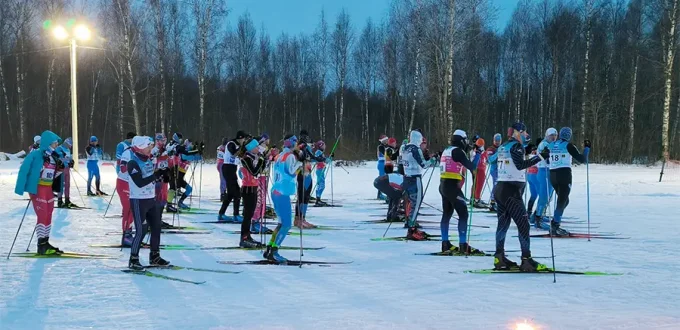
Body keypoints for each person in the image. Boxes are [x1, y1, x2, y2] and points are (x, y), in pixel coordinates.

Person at [493, 122, 546, 272]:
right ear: (517, 132)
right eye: (523, 131)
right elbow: (520, 165)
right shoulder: (516, 146)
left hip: (501, 189)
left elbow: (493, 160)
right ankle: (526, 260)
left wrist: (527, 152)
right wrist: (540, 157)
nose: (526, 134)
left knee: (503, 224)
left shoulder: (504, 145)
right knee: (523, 224)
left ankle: (499, 257)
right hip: (511, 191)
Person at [15, 130, 64, 255]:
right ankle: (41, 245)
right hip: (37, 188)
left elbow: (53, 175)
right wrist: (20, 188)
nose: (56, 146)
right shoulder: (36, 155)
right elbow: (24, 169)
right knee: (42, 215)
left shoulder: (53, 156)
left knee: (48, 214)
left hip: (48, 189)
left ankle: (45, 242)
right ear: (48, 143)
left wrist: (61, 168)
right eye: (54, 143)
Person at [126, 136, 170, 270]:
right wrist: (154, 176)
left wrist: (162, 175)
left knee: (156, 227)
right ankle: (133, 259)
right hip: (138, 200)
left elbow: (152, 176)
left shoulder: (148, 159)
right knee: (141, 230)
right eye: (148, 146)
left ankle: (155, 256)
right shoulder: (132, 162)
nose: (150, 148)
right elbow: (139, 183)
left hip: (151, 199)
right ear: (140, 147)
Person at [439, 130, 483, 254]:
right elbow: (472, 166)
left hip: (443, 184)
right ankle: (463, 244)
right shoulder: (458, 151)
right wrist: (478, 153)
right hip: (452, 186)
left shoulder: (448, 149)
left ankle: (445, 243)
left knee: (447, 214)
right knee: (463, 214)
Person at [541, 127, 590, 236]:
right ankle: (555, 225)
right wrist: (587, 148)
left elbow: (544, 156)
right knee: (562, 200)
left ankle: (555, 221)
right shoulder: (569, 145)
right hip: (564, 174)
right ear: (569, 136)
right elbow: (583, 159)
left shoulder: (551, 144)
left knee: (564, 200)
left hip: (553, 175)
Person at [263, 134, 303, 264]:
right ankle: (274, 251)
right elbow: (291, 172)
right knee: (286, 224)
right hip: (282, 192)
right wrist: (300, 164)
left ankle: (270, 247)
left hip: (276, 190)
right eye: (296, 142)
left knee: (281, 223)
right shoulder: (290, 156)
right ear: (292, 143)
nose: (297, 144)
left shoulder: (280, 155)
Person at [402, 129, 437, 241]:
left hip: (406, 177)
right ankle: (412, 230)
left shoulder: (405, 148)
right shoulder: (415, 149)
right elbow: (424, 164)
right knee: (416, 204)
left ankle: (410, 225)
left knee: (410, 202)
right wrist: (433, 160)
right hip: (415, 178)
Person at [238, 137, 267, 248]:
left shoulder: (253, 157)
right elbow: (254, 172)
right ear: (250, 148)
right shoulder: (246, 158)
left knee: (249, 214)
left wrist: (263, 160)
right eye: (255, 147)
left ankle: (247, 235)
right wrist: (261, 161)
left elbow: (260, 170)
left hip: (253, 187)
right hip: (247, 189)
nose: (257, 148)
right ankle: (244, 238)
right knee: (247, 214)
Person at [294, 129, 325, 228]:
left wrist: (321, 158)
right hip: (302, 173)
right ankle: (298, 219)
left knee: (306, 196)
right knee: (302, 196)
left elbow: (311, 157)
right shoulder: (301, 146)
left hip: (307, 173)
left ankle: (302, 218)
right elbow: (305, 156)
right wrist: (320, 158)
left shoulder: (306, 146)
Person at [165, 133, 202, 213]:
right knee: (173, 188)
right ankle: (169, 205)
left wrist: (198, 151)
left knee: (177, 188)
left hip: (174, 170)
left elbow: (195, 156)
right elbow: (188, 155)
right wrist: (197, 151)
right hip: (175, 169)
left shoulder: (172, 145)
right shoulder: (179, 148)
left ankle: (175, 203)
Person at [219, 130, 248, 222]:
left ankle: (222, 213)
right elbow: (234, 153)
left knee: (231, 194)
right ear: (240, 138)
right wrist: (242, 147)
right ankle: (236, 215)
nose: (244, 140)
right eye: (244, 138)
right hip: (227, 168)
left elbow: (241, 155)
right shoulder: (231, 143)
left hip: (232, 168)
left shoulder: (239, 145)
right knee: (237, 193)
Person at [532, 128, 557, 227]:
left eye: (555, 136)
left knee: (548, 195)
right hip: (543, 171)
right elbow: (547, 158)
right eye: (551, 136)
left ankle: (538, 214)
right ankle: (538, 218)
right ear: (547, 136)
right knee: (544, 195)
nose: (554, 138)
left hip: (549, 171)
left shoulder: (550, 144)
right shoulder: (544, 144)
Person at [252, 134, 275, 234]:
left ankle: (258, 221)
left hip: (264, 176)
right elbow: (259, 162)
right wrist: (267, 157)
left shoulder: (265, 149)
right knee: (260, 200)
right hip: (259, 177)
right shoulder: (260, 149)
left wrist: (271, 156)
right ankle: (255, 222)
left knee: (263, 200)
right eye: (267, 139)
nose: (268, 141)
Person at [152, 133, 171, 228]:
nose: (164, 142)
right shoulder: (154, 149)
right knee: (157, 199)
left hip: (164, 177)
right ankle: (154, 221)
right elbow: (153, 162)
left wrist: (168, 171)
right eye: (162, 140)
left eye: (165, 141)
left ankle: (159, 219)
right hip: (157, 177)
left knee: (163, 199)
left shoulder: (164, 149)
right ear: (157, 141)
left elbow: (166, 162)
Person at [54, 138, 77, 208]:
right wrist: (65, 160)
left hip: (67, 168)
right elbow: (57, 158)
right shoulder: (59, 148)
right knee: (61, 185)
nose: (70, 147)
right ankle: (60, 201)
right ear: (66, 143)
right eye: (69, 145)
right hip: (61, 169)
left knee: (67, 185)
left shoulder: (68, 150)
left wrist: (71, 161)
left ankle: (67, 200)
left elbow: (68, 158)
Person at [470, 136, 489, 208]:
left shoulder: (482, 151)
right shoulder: (474, 151)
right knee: (477, 184)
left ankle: (476, 198)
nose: (481, 147)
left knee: (478, 184)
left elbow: (486, 158)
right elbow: (473, 160)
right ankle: (476, 199)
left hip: (482, 169)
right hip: (477, 169)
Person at [486, 133, 502, 212]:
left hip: (502, 170)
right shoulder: (490, 149)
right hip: (494, 170)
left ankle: (499, 202)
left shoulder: (502, 147)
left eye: (499, 141)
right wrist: (498, 153)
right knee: (496, 185)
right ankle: (492, 203)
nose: (497, 142)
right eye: (496, 140)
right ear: (493, 140)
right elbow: (490, 160)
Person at [313, 140, 332, 206]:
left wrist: (330, 157)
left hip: (321, 170)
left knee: (320, 184)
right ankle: (318, 199)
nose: (325, 146)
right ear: (320, 146)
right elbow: (319, 159)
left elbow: (326, 161)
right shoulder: (318, 152)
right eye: (323, 145)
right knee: (321, 184)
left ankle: (318, 198)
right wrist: (325, 159)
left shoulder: (320, 152)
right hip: (320, 170)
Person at [525, 138, 540, 218]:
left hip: (529, 174)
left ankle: (529, 211)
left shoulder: (531, 151)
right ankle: (538, 214)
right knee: (541, 195)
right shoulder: (538, 151)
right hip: (535, 175)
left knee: (534, 195)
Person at [376, 134, 389, 199]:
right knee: (382, 179)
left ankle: (380, 194)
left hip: (384, 163)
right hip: (381, 163)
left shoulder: (384, 146)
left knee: (384, 179)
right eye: (386, 140)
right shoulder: (381, 146)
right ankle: (380, 194)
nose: (387, 141)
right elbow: (385, 154)